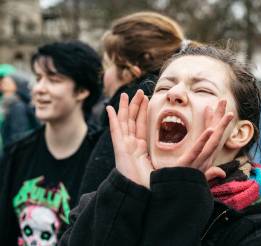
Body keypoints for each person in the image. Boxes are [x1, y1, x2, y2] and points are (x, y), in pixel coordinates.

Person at [60, 45, 261, 245]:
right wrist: (125, 191)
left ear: (239, 133)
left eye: (202, 90)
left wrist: (178, 198)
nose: (174, 93)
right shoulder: (96, 205)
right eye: (164, 86)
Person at [0, 41, 102, 246]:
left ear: (82, 90)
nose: (39, 88)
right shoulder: (16, 154)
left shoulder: (102, 158)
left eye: (53, 80)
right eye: (38, 78)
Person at [78, 11, 191, 194]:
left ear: (131, 71)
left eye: (107, 66)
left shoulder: (126, 128)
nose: (103, 76)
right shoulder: (180, 116)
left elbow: (91, 211)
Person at [1, 74, 39, 147]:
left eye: (6, 83)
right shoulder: (9, 104)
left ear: (16, 85)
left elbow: (19, 136)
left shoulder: (18, 107)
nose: (2, 86)